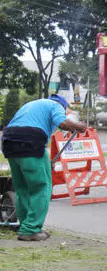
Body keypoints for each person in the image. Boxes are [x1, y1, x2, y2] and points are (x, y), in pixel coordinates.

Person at [1, 94, 87, 241]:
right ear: (63, 106)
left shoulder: (32, 105)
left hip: (9, 141)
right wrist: (79, 126)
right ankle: (31, 229)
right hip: (30, 142)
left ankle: (26, 226)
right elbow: (63, 123)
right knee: (41, 187)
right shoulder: (55, 106)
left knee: (22, 188)